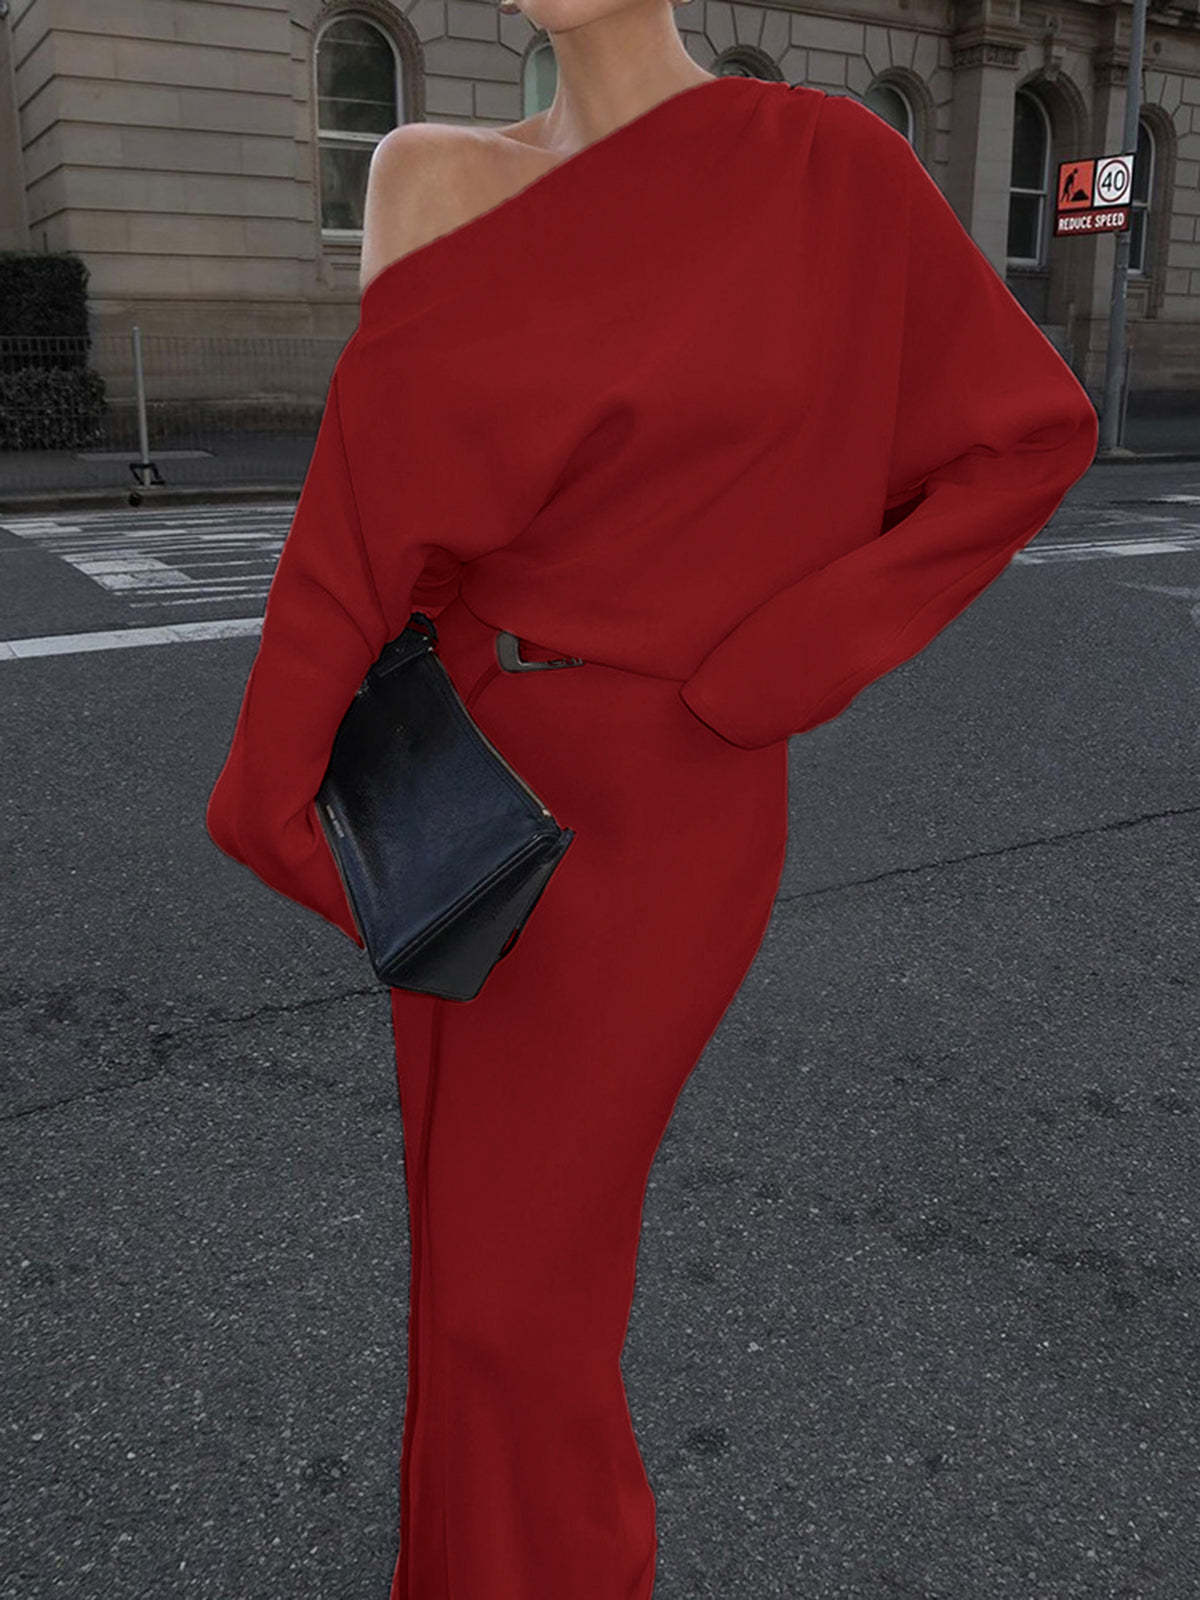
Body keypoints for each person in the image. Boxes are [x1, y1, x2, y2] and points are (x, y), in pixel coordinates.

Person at [204, 0, 1100, 1591]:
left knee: (516, 1296)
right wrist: (279, 772)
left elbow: (1026, 438)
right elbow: (366, 516)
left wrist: (784, 665)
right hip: (461, 775)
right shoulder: (424, 171)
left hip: (670, 799)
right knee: (470, 1260)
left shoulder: (831, 167)